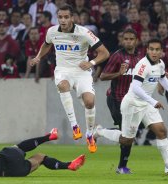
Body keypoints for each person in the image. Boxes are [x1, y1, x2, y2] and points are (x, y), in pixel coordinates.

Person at [94, 38, 168, 174]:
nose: (154, 52)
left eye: (157, 50)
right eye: (152, 49)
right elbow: (136, 88)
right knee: (127, 140)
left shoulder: (160, 63)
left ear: (161, 51)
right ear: (147, 50)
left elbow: (162, 77)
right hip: (133, 104)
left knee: (161, 131)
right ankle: (100, 132)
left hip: (146, 103)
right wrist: (153, 101)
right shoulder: (142, 65)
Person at [30, 4, 110, 153]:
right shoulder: (52, 31)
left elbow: (104, 53)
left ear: (72, 18)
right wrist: (38, 57)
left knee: (90, 102)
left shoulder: (84, 33)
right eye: (60, 17)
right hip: (63, 70)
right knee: (63, 86)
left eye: (66, 17)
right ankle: (75, 126)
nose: (63, 20)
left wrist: (91, 62)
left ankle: (89, 135)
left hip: (81, 72)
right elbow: (47, 45)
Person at [99, 29, 144, 174]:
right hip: (116, 99)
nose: (129, 41)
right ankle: (121, 167)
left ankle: (100, 131)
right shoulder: (117, 56)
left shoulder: (140, 58)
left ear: (136, 41)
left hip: (132, 101)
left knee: (129, 135)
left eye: (131, 39)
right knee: (126, 135)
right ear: (122, 40)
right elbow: (103, 76)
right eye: (126, 39)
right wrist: (119, 73)